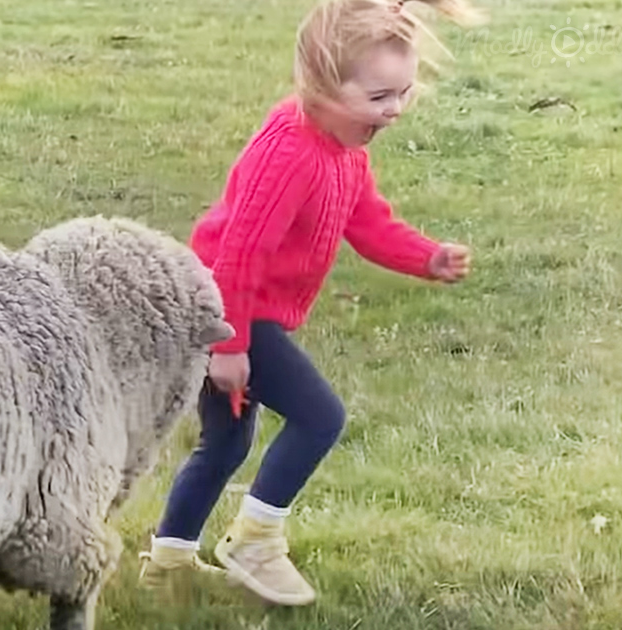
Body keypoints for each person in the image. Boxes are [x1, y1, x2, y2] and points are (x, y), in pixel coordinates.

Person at [137, 0, 483, 607]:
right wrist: (229, 344)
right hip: (221, 306)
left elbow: (368, 223)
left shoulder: (344, 151)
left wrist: (424, 257)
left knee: (224, 444)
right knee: (320, 417)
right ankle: (256, 540)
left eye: (403, 93)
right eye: (379, 97)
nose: (395, 110)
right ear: (323, 86)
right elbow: (239, 254)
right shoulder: (292, 152)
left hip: (233, 309)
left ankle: (167, 567)